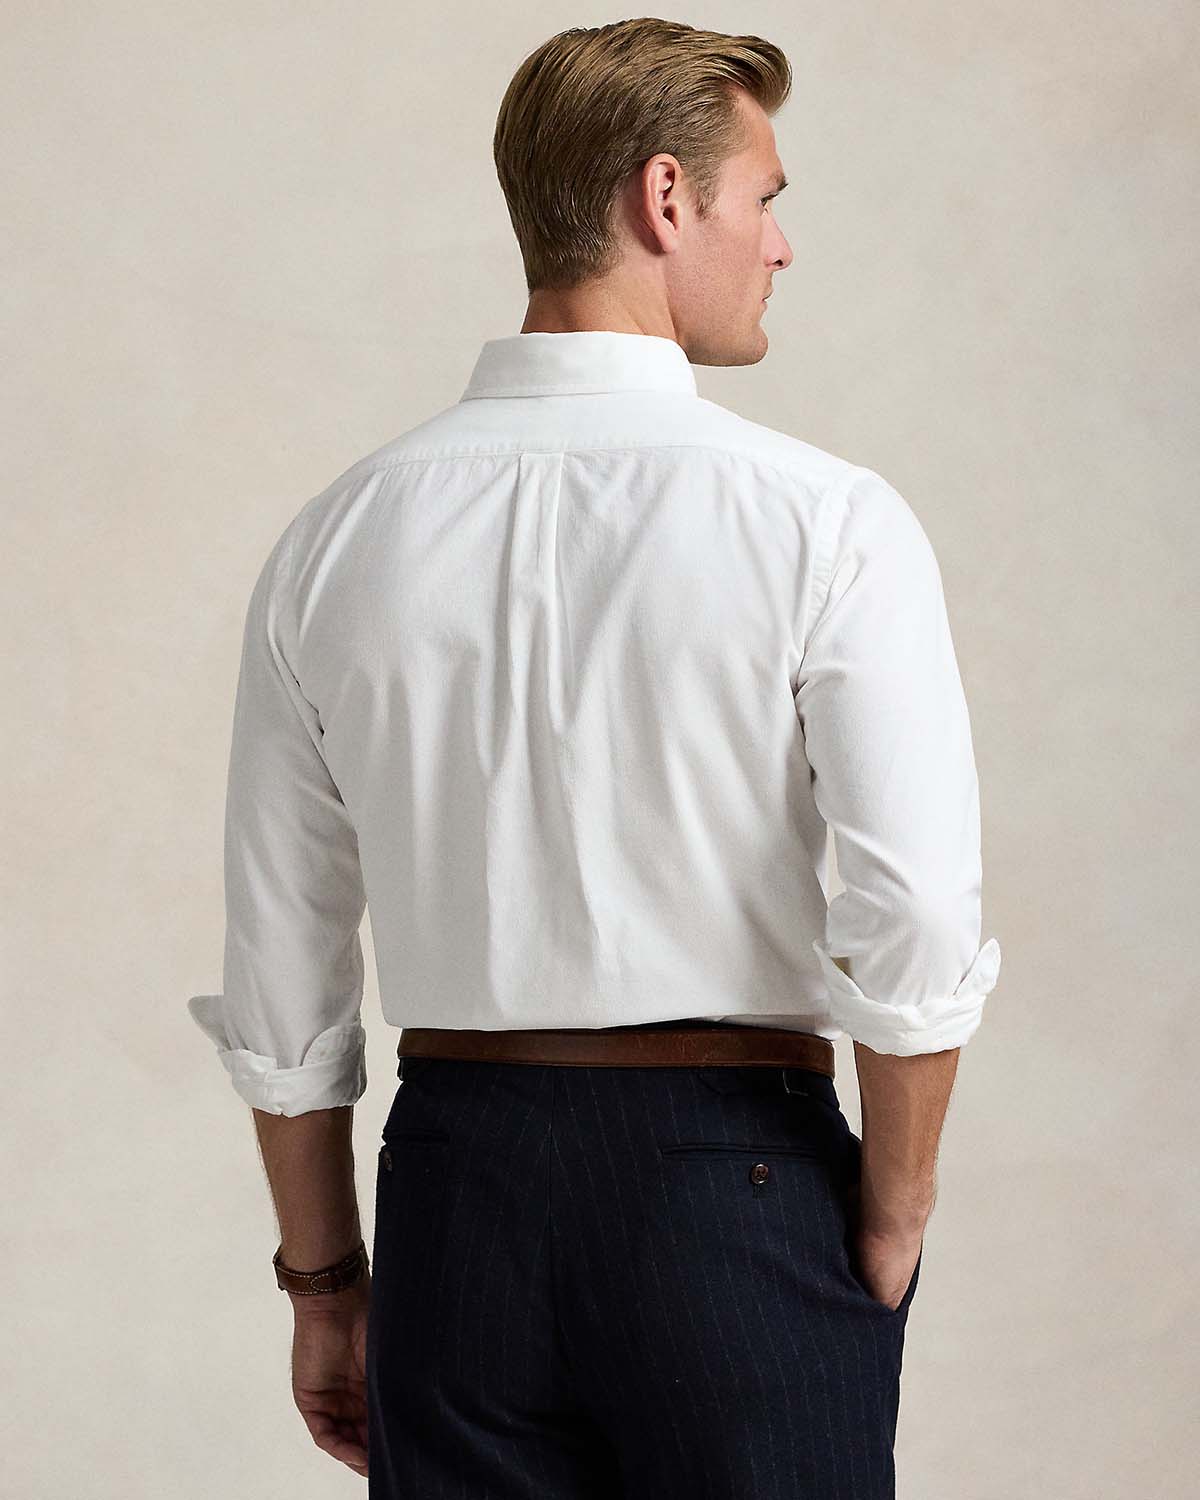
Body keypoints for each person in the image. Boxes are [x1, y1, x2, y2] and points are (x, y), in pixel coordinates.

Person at [187, 17, 1001, 1498]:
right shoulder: (824, 522)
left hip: (456, 1199)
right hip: (737, 1189)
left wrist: (325, 1282)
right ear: (667, 197)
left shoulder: (338, 538)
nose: (782, 244)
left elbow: (284, 963)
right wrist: (895, 1208)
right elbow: (919, 914)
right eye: (767, 198)